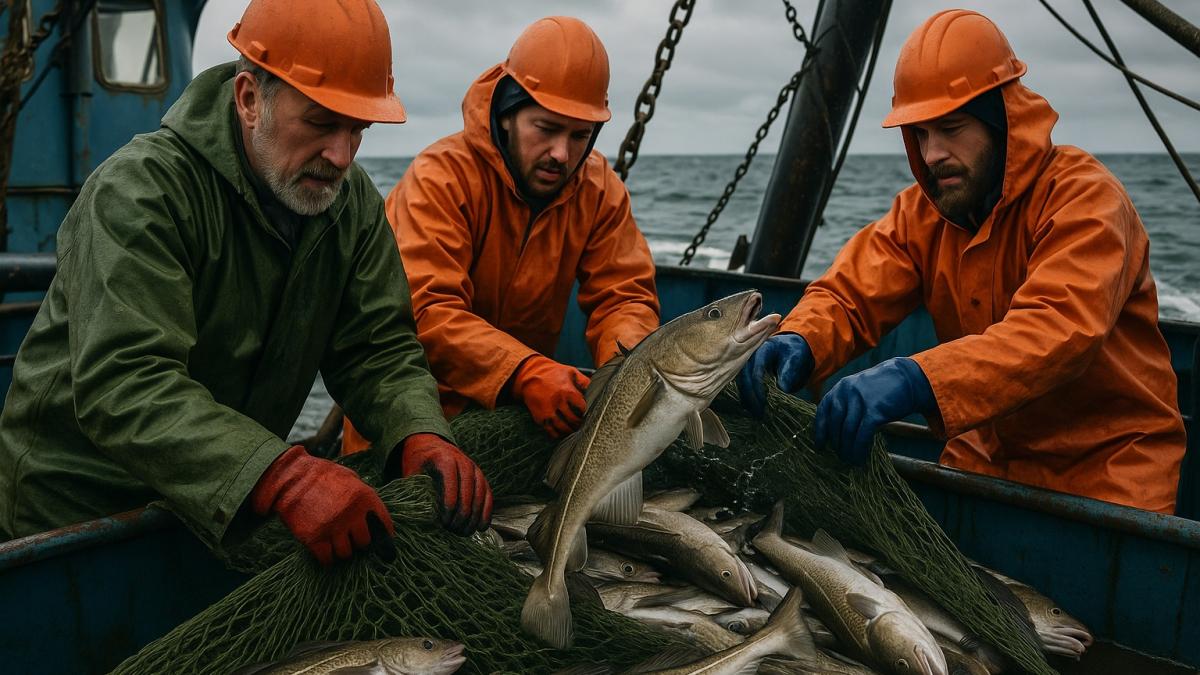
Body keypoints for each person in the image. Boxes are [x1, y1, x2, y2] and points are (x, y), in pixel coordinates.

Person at [0, 0, 493, 564]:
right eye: (320, 122)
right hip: (75, 518)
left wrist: (417, 430)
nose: (340, 154)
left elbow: (377, 348)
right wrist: (283, 478)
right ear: (249, 99)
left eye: (358, 129)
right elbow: (126, 382)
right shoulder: (140, 193)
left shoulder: (351, 205)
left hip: (219, 508)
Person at [738, 9, 1186, 514]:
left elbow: (1056, 328)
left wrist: (916, 379)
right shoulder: (921, 214)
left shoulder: (1085, 199)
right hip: (981, 459)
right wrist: (801, 338)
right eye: (921, 135)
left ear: (1002, 119)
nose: (932, 154)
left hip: (1107, 474)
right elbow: (849, 296)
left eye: (950, 128)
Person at [342, 16, 659, 452]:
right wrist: (524, 371)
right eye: (545, 129)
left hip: (513, 424)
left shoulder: (600, 188)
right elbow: (425, 310)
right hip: (408, 428)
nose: (561, 154)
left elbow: (623, 297)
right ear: (508, 115)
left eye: (580, 135)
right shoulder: (441, 178)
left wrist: (631, 371)